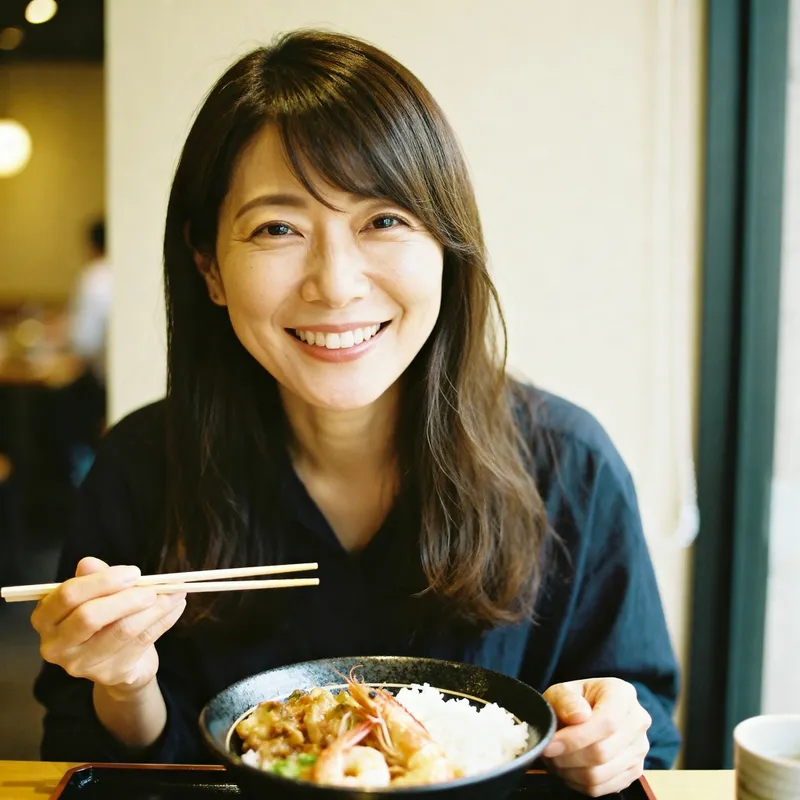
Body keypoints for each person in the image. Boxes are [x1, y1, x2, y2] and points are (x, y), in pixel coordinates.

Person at [31, 30, 679, 797]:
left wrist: (604, 735)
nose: (336, 285)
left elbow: (647, 733)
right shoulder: (142, 463)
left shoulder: (569, 463)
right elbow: (81, 758)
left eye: (384, 220)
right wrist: (126, 682)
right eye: (278, 228)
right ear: (208, 265)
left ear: (447, 245)